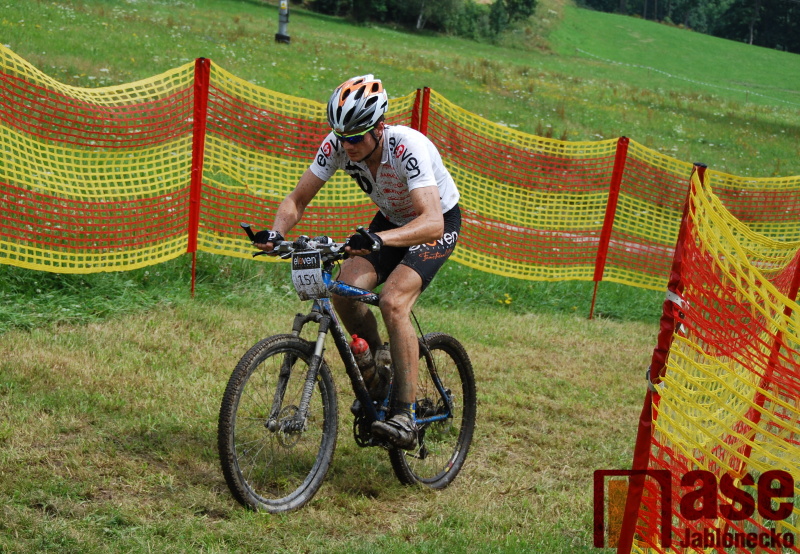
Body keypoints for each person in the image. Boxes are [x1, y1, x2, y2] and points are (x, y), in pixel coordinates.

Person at [253, 75, 461, 450]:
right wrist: (276, 233)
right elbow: (297, 199)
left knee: (393, 301)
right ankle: (380, 366)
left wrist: (379, 239)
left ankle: (405, 415)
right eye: (341, 136)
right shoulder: (338, 144)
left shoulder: (406, 147)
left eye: (355, 138)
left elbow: (431, 222)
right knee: (343, 292)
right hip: (390, 222)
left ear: (379, 128)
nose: (346, 145)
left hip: (435, 223)